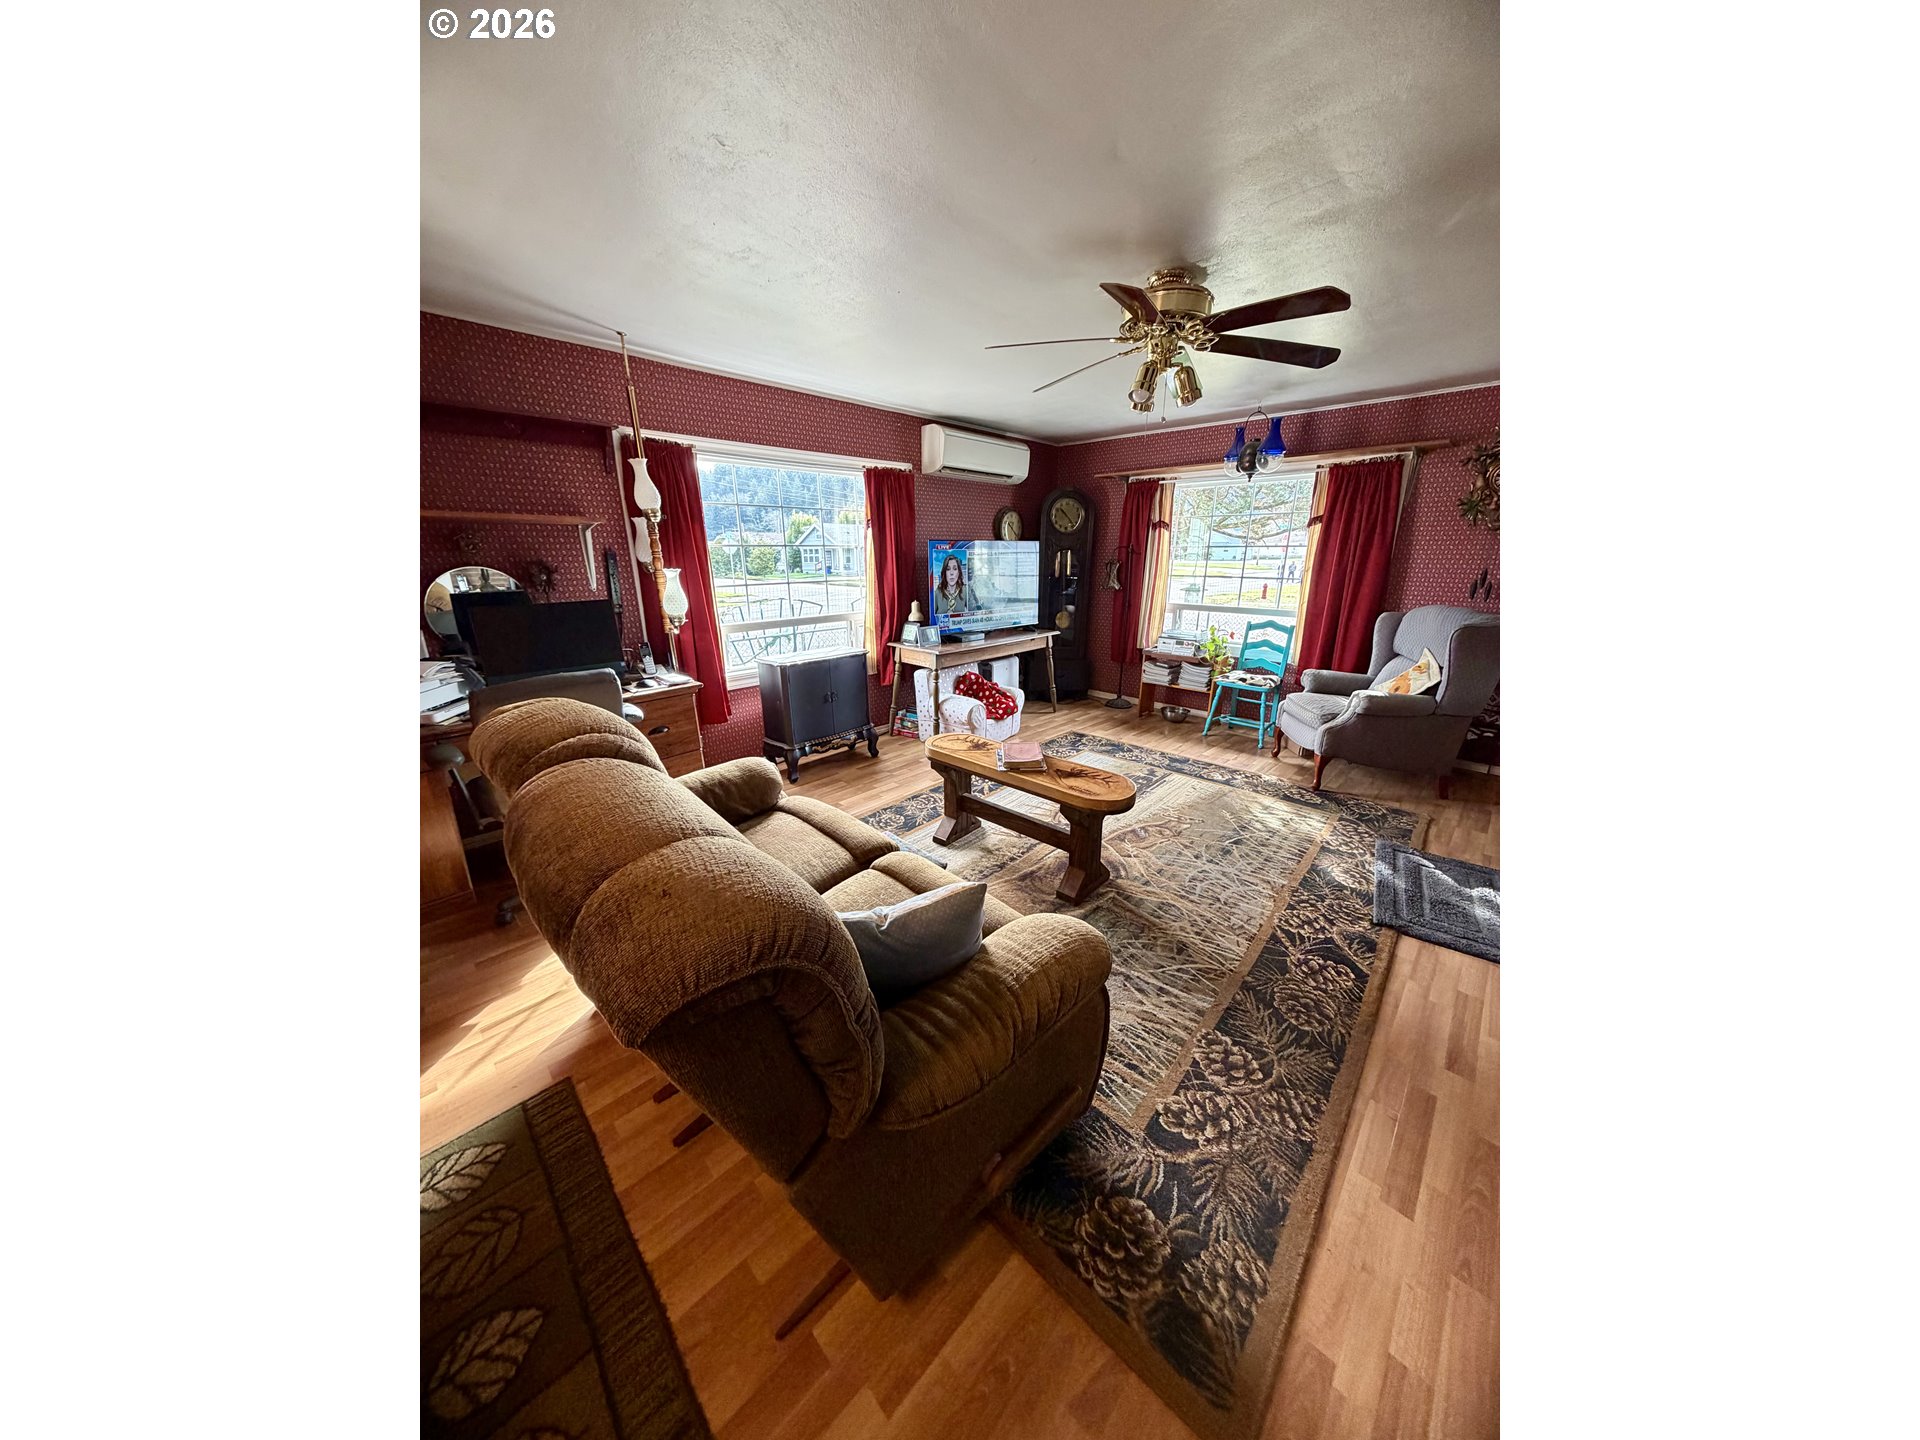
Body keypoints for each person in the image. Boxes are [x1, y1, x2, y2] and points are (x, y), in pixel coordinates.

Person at [931, 552, 980, 621]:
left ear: (959, 572)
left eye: (955, 569)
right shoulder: (938, 592)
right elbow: (932, 618)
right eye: (948, 569)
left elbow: (974, 613)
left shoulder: (965, 590)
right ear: (944, 573)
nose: (951, 573)